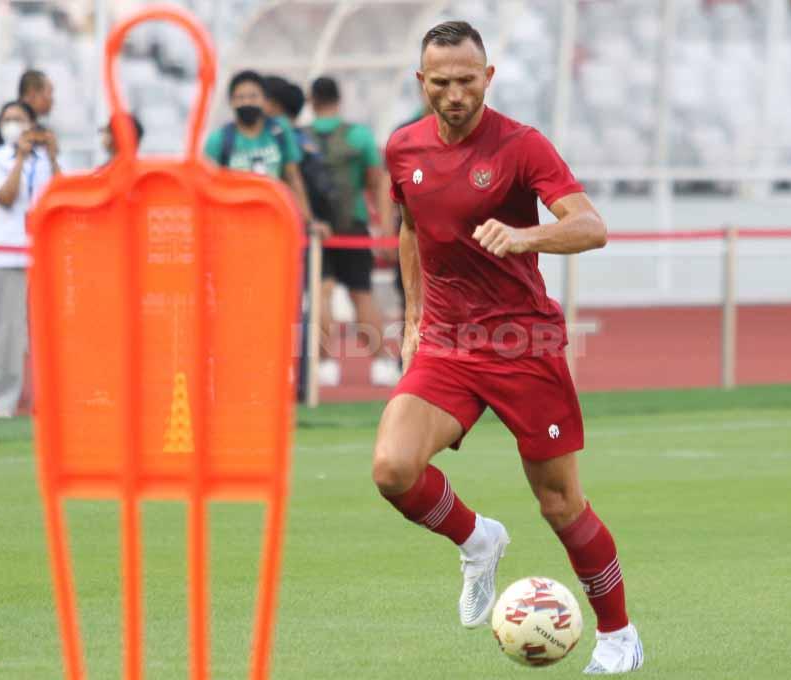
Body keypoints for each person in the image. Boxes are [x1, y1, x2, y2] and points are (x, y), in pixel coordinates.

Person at [376, 22, 642, 674]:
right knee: (393, 469)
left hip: (523, 343)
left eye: (468, 81)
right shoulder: (403, 148)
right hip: (447, 343)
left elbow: (591, 226)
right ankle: (477, 540)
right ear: (422, 82)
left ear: (488, 77)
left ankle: (619, 637)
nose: (455, 94)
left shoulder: (522, 146)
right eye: (442, 83)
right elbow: (411, 229)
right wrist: (413, 317)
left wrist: (528, 237)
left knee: (559, 504)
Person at [309, 76, 399, 387]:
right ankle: (382, 364)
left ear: (312, 100)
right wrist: (384, 228)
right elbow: (377, 183)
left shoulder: (300, 137)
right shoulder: (359, 136)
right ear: (339, 99)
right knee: (362, 295)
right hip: (354, 225)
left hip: (314, 230)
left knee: (321, 294)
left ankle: (324, 366)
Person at [0, 100, 60, 418]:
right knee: (6, 334)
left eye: (19, 119)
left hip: (45, 256)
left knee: (50, 333)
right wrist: (21, 158)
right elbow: (6, 197)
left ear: (33, 124)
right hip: (6, 254)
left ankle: (49, 401)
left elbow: (62, 195)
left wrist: (52, 156)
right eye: (7, 119)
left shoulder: (49, 158)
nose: (12, 125)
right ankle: (3, 404)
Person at [203, 70, 324, 237]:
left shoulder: (279, 131)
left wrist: (308, 220)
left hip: (275, 222)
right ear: (231, 102)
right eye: (240, 97)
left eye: (253, 96)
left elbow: (293, 178)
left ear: (265, 100)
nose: (247, 102)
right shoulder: (219, 139)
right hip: (235, 227)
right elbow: (208, 187)